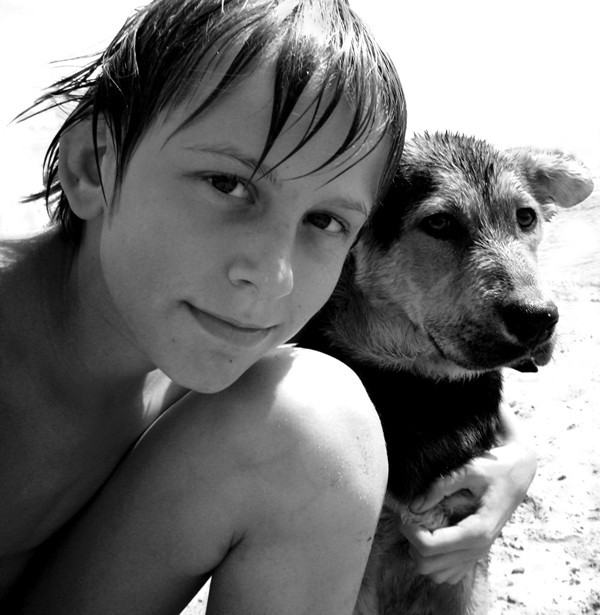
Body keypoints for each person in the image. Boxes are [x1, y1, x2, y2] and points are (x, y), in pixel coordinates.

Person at [0, 0, 536, 612]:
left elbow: (395, 374)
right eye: (228, 184)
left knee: (316, 413)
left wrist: (516, 459)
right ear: (92, 166)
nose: (276, 274)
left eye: (325, 220)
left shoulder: (200, 329)